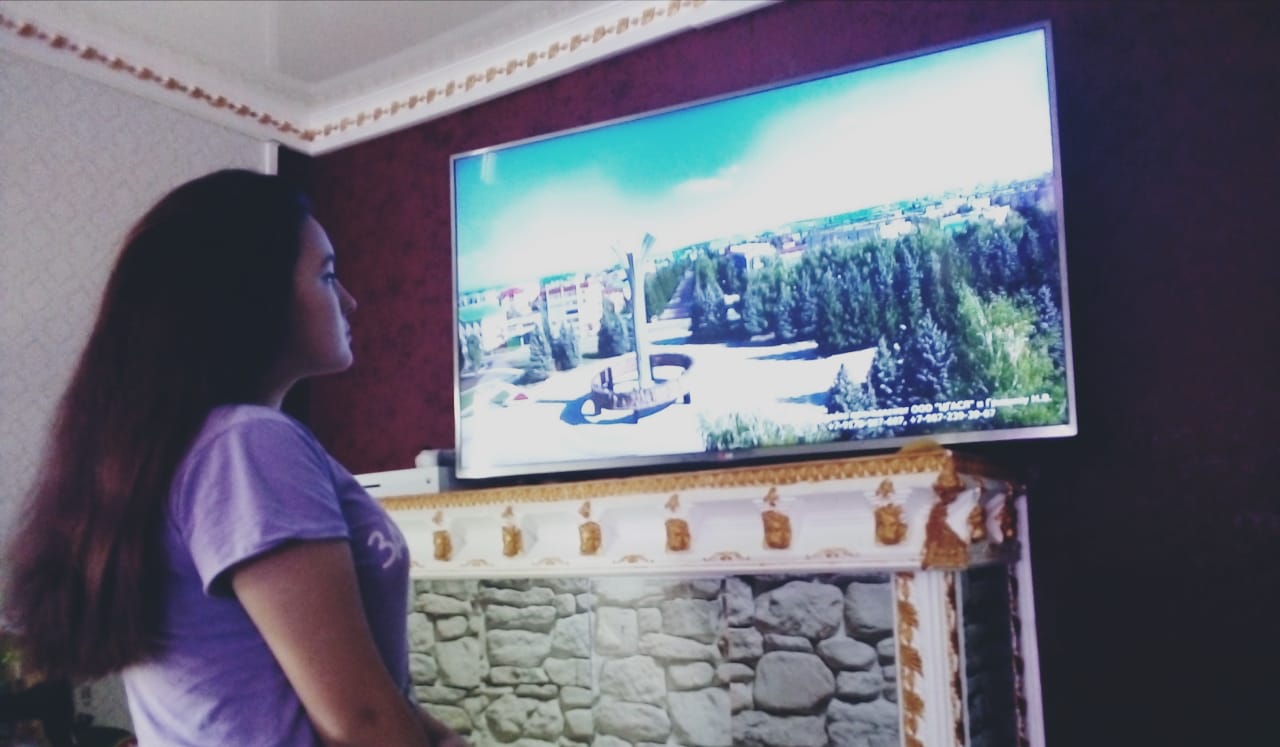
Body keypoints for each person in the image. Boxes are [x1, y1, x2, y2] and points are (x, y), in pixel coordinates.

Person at [2, 170, 466, 746]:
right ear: (251, 296)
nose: (350, 300)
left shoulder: (192, 448)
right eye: (326, 276)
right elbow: (361, 721)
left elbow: (367, 692)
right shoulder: (247, 446)